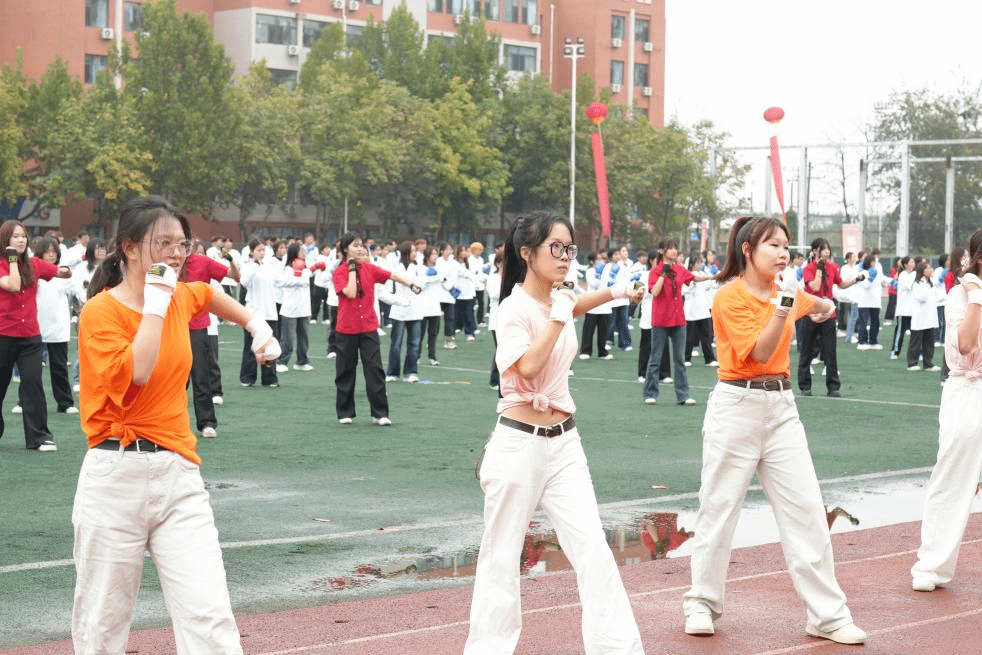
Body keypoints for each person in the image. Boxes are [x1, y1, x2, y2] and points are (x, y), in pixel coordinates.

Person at [72, 195, 281, 654]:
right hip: (115, 475)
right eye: (163, 243)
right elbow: (138, 372)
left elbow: (208, 293)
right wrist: (156, 303)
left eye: (182, 243)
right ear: (129, 247)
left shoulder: (182, 296)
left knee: (209, 614)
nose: (175, 253)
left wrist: (256, 325)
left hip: (179, 475)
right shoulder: (101, 312)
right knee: (102, 623)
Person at [464, 211, 644, 655]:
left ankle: (617, 648)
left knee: (593, 547)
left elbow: (575, 304)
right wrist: (560, 319)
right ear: (527, 253)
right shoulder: (513, 309)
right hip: (517, 442)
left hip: (565, 442)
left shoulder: (559, 300)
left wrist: (618, 291)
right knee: (501, 557)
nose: (565, 257)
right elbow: (527, 366)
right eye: (556, 248)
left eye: (570, 249)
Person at [681, 215, 865, 645]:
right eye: (773, 246)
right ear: (748, 250)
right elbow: (761, 352)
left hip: (782, 410)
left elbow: (821, 305)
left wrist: (822, 307)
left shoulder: (789, 291)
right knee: (718, 509)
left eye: (786, 246)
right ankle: (701, 603)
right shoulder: (729, 298)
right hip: (737, 406)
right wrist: (786, 304)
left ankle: (827, 615)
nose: (783, 254)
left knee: (807, 511)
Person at [910, 229, 982, 593]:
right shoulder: (960, 295)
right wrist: (976, 297)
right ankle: (931, 565)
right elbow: (965, 344)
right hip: (968, 392)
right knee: (952, 480)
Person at [333, 232, 420, 426]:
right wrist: (352, 268)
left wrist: (411, 284)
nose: (359, 249)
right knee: (345, 371)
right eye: (355, 245)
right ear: (345, 249)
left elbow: (392, 275)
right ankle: (345, 412)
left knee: (374, 370)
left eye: (361, 245)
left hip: (368, 327)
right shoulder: (339, 272)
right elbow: (350, 293)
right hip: (347, 328)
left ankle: (380, 413)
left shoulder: (369, 268)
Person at [0, 220, 71, 451]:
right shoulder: (1, 264)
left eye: (23, 236)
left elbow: (62, 272)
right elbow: (13, 285)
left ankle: (39, 437)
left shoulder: (34, 264)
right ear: (5, 240)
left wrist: (62, 271)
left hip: (30, 337)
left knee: (33, 385)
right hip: (3, 335)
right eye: (15, 236)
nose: (21, 240)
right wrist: (12, 259)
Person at [643, 238, 713, 406]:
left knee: (680, 361)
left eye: (675, 248)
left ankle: (683, 395)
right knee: (655, 360)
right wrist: (663, 274)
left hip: (679, 321)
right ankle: (650, 393)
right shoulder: (655, 272)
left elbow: (694, 278)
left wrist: (713, 276)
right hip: (660, 322)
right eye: (670, 248)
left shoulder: (680, 269)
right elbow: (655, 292)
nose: (674, 251)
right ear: (662, 251)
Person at [184, 244, 238, 438]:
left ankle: (207, 423)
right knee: (173, 380)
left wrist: (231, 260)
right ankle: (168, 423)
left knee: (201, 377)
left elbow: (234, 275)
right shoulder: (162, 263)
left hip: (198, 327)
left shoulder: (203, 262)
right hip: (171, 327)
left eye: (183, 243)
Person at [797, 238, 861, 398]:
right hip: (810, 315)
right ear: (815, 251)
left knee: (830, 352)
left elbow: (841, 284)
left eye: (828, 249)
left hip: (828, 315)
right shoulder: (808, 269)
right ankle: (805, 386)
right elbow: (814, 287)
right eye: (823, 248)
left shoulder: (832, 267)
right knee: (806, 351)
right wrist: (819, 269)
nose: (827, 251)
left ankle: (833, 387)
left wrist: (856, 279)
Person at [34, 236, 78, 415]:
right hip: (36, 327)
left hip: (58, 328)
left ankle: (65, 403)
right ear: (40, 254)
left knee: (59, 367)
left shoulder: (64, 274)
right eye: (47, 252)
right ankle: (26, 401)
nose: (51, 255)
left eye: (54, 252)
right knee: (31, 368)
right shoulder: (34, 273)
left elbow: (76, 289)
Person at [239, 239, 280, 388]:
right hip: (253, 313)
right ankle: (247, 378)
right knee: (251, 346)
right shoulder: (248, 266)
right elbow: (244, 282)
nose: (262, 253)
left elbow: (278, 283)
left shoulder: (269, 266)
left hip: (270, 312)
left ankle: (269, 378)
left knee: (270, 346)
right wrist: (255, 264)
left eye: (263, 250)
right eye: (258, 250)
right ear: (252, 252)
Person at [384, 241, 423, 383]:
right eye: (412, 251)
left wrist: (417, 286)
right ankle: (392, 373)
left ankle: (411, 372)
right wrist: (411, 284)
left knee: (414, 344)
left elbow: (421, 284)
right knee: (396, 344)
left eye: (415, 251)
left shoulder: (418, 267)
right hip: (399, 310)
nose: (415, 253)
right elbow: (396, 281)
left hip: (415, 310)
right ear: (405, 252)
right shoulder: (396, 266)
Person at [275, 242, 314, 372]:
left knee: (304, 338)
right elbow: (281, 282)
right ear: (294, 252)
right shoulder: (287, 269)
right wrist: (299, 280)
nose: (304, 252)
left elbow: (308, 276)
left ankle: (302, 361)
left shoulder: (306, 269)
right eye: (301, 250)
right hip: (290, 309)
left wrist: (310, 270)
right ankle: (281, 362)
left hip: (304, 308)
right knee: (288, 338)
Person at [907, 259, 940, 371]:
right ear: (922, 271)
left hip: (930, 316)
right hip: (920, 316)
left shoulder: (931, 283)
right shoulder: (917, 283)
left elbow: (936, 297)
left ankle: (928, 363)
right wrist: (927, 287)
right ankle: (912, 363)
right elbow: (921, 297)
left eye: (930, 268)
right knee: (916, 341)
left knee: (929, 342)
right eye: (927, 268)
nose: (930, 270)